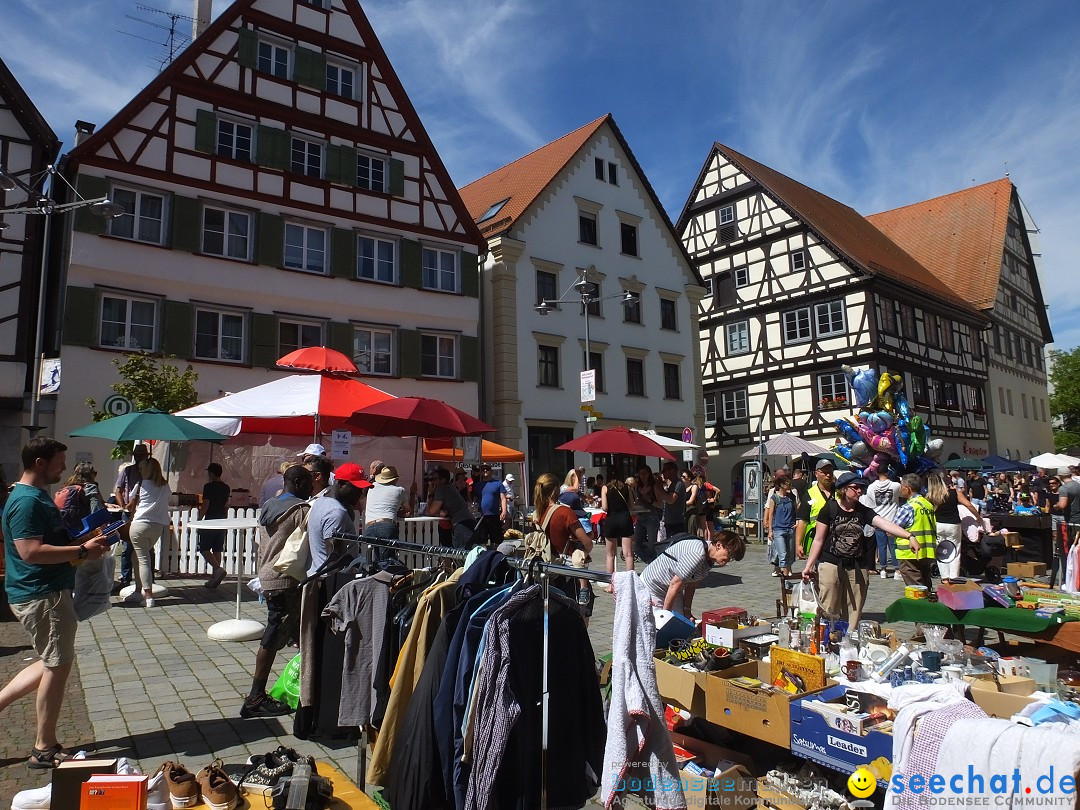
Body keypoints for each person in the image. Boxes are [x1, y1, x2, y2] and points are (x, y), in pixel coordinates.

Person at [0, 438, 109, 767]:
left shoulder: (34, 497)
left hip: (44, 592)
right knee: (58, 666)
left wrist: (83, 541)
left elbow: (45, 544)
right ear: (39, 462)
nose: (65, 468)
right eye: (59, 461)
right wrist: (81, 551)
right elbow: (30, 551)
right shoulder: (27, 501)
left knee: (54, 661)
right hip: (40, 594)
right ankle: (43, 748)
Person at [242, 464, 314, 718]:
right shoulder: (300, 510)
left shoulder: (269, 506)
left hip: (268, 576)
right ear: (297, 482)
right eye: (308, 483)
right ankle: (255, 697)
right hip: (287, 579)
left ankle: (303, 686)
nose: (312, 487)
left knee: (292, 632)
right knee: (273, 637)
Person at [802, 471, 915, 628]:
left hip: (857, 565)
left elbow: (884, 523)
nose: (859, 491)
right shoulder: (830, 509)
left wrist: (909, 536)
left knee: (854, 608)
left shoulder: (862, 510)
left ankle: (849, 639)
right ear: (843, 489)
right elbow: (818, 540)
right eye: (855, 487)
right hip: (831, 563)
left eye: (861, 487)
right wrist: (808, 566)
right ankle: (827, 639)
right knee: (829, 606)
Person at [639, 530, 746, 620]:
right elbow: (674, 584)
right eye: (730, 555)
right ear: (718, 545)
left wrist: (687, 611)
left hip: (670, 590)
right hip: (653, 587)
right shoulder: (697, 554)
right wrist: (665, 616)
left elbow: (691, 586)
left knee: (680, 624)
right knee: (659, 625)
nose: (729, 560)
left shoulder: (709, 560)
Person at [532, 473, 594, 610]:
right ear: (555, 490)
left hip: (547, 568)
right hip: (569, 571)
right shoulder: (565, 512)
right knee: (581, 614)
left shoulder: (537, 513)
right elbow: (587, 542)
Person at [307, 463, 370, 575]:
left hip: (320, 576)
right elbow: (333, 557)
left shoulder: (321, 501)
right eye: (356, 488)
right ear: (341, 484)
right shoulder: (336, 512)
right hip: (330, 580)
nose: (360, 493)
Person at [127, 457, 170, 607]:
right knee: (137, 556)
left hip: (140, 525)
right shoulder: (165, 485)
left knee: (143, 559)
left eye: (141, 468)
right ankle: (138, 590)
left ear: (147, 469)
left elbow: (130, 504)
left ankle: (148, 596)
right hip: (157, 526)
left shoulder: (141, 484)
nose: (138, 470)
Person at [926, 470, 978, 580]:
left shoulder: (929, 496)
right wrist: (978, 517)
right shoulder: (954, 492)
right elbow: (968, 505)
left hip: (938, 525)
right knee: (955, 551)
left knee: (941, 551)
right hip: (953, 525)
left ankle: (944, 577)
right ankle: (954, 578)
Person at [113, 444, 149, 589]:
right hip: (128, 512)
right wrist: (123, 507)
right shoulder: (127, 471)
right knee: (127, 547)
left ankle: (148, 581)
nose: (138, 456)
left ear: (147, 455)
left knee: (147, 549)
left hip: (144, 512)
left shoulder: (150, 473)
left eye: (141, 454)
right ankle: (126, 579)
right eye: (136, 454)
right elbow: (118, 490)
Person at [893, 473, 937, 589]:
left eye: (901, 486)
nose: (900, 489)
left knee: (915, 587)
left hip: (909, 553)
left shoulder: (908, 507)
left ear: (908, 488)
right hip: (926, 552)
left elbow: (893, 528)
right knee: (926, 583)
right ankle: (930, 604)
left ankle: (922, 606)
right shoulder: (928, 504)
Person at [863, 466, 901, 578]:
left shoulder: (871, 487)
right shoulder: (895, 486)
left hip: (878, 520)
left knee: (881, 546)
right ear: (888, 472)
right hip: (892, 521)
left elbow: (870, 504)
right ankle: (897, 570)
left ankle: (883, 569)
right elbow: (903, 495)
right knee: (894, 547)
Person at [197, 463, 230, 588]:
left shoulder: (208, 487)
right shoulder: (226, 487)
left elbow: (206, 504)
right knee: (217, 548)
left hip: (210, 519)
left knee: (204, 548)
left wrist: (200, 518)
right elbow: (226, 504)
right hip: (222, 519)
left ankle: (217, 569)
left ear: (211, 473)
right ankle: (215, 577)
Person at [796, 459, 836, 558]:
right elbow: (803, 520)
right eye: (825, 472)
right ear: (816, 474)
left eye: (830, 472)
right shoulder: (809, 494)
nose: (828, 475)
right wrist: (798, 544)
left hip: (837, 541)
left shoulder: (839, 492)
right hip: (817, 541)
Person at [601, 474, 634, 594]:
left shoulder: (605, 488)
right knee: (628, 554)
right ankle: (630, 584)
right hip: (625, 519)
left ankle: (611, 586)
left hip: (611, 520)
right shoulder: (627, 487)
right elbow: (631, 505)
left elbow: (604, 508)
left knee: (610, 555)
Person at [426, 467, 475, 548]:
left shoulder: (442, 488)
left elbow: (431, 512)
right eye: (431, 479)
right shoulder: (450, 487)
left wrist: (430, 493)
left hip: (462, 525)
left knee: (461, 555)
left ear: (443, 479)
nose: (432, 481)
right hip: (467, 521)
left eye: (435, 479)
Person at [54, 462, 103, 535]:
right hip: (83, 530)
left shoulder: (67, 486)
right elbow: (95, 511)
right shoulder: (91, 487)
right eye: (94, 473)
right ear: (90, 474)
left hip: (65, 529)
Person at [364, 465, 408, 541]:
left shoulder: (372, 486)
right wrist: (413, 493)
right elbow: (408, 510)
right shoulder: (399, 490)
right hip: (387, 526)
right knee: (389, 552)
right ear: (395, 479)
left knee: (375, 552)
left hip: (369, 526)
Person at [767, 475, 798, 577]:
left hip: (790, 529)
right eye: (787, 483)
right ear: (781, 485)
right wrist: (770, 530)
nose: (789, 485)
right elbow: (771, 515)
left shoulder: (792, 497)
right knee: (783, 554)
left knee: (790, 554)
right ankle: (784, 578)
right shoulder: (774, 498)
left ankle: (789, 573)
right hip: (778, 530)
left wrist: (797, 522)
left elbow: (796, 511)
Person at [632, 465, 663, 562]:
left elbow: (661, 505)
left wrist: (650, 501)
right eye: (640, 474)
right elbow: (637, 502)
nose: (642, 476)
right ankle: (650, 561)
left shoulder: (654, 487)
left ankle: (654, 564)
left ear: (649, 474)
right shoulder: (638, 487)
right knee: (637, 545)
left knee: (652, 544)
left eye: (644, 473)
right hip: (640, 516)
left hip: (651, 517)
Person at [658, 461, 688, 538]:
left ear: (672, 471)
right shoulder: (672, 484)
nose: (662, 473)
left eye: (664, 470)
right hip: (670, 521)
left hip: (676, 522)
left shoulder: (678, 484)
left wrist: (659, 488)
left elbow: (670, 499)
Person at [479, 469, 507, 547]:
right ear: (480, 472)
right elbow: (474, 500)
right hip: (481, 516)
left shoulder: (498, 483)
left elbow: (503, 498)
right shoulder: (478, 485)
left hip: (494, 515)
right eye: (483, 469)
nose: (485, 470)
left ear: (491, 471)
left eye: (487, 469)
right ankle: (483, 555)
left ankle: (495, 555)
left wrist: (504, 511)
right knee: (482, 539)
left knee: (496, 539)